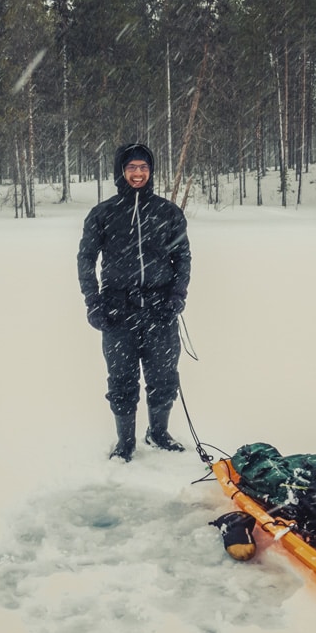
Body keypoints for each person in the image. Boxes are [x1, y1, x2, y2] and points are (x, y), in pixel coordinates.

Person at [77, 143, 192, 462]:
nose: (138, 173)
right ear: (121, 172)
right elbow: (85, 259)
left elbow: (182, 258)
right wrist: (93, 302)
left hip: (160, 311)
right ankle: (125, 442)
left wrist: (176, 297)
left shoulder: (168, 212)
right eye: (131, 168)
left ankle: (158, 433)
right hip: (117, 312)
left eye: (143, 167)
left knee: (163, 377)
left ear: (151, 171)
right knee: (122, 380)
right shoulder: (103, 214)